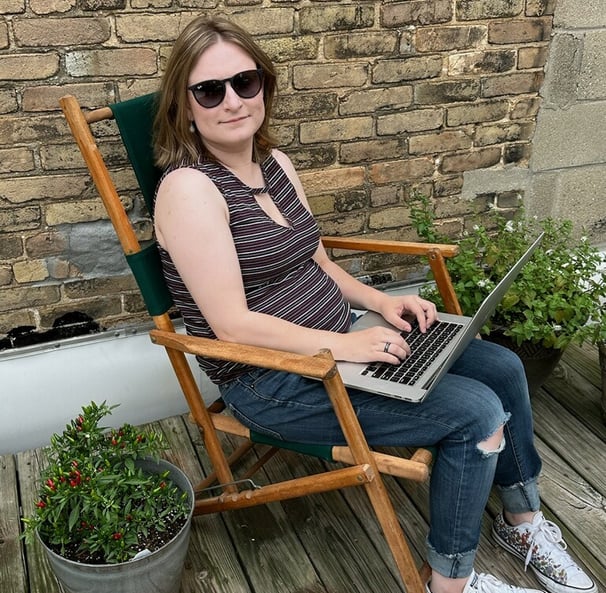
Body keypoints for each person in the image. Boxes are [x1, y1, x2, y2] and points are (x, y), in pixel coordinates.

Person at [152, 15, 597, 593]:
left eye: (246, 81)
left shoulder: (275, 164)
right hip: (273, 380)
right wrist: (345, 346)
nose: (233, 100)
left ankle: (523, 521)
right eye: (210, 90)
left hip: (344, 342)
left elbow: (319, 263)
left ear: (265, 84)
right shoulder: (190, 190)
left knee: (504, 367)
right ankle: (451, 583)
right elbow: (232, 324)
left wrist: (381, 304)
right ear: (185, 107)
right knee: (477, 414)